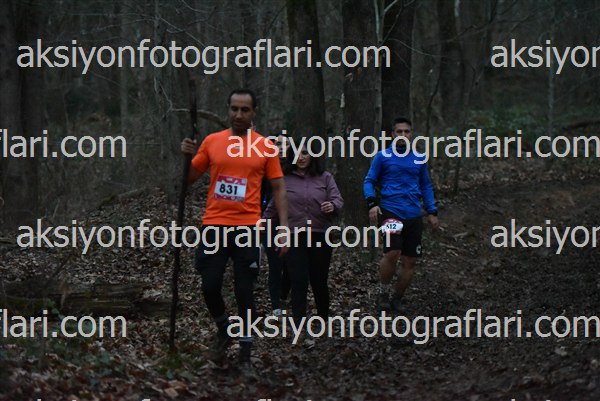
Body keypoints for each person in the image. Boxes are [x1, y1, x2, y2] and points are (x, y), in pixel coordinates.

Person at [180, 89, 288, 367]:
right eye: (234, 109)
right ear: (228, 110)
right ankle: (224, 328)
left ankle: (245, 352)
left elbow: (278, 188)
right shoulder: (212, 141)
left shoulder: (265, 146)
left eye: (245, 110)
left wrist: (284, 228)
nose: (239, 115)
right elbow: (188, 179)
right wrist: (186, 157)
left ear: (254, 113)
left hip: (247, 227)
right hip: (214, 224)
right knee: (209, 284)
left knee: (244, 289)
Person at [363, 117, 439, 311]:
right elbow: (369, 181)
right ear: (392, 134)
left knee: (410, 260)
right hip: (391, 210)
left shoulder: (419, 157)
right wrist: (372, 203)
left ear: (411, 134)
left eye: (406, 131)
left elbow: (426, 185)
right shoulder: (383, 156)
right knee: (392, 252)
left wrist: (432, 211)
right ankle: (383, 293)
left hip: (413, 213)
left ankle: (397, 297)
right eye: (399, 131)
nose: (403, 135)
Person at [265, 146, 343, 321]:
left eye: (305, 153)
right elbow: (274, 205)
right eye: (297, 154)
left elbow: (338, 199)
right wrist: (261, 224)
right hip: (294, 235)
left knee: (319, 280)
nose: (301, 158)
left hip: (320, 235)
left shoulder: (325, 177)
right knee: (298, 279)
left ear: (312, 155)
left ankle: (323, 318)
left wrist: (332, 205)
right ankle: (298, 321)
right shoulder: (284, 179)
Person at [261, 134, 291, 315]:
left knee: (290, 262)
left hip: (292, 221)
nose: (281, 148)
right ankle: (275, 304)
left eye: (285, 144)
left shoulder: (295, 169)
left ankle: (283, 293)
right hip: (269, 221)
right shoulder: (265, 167)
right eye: (278, 144)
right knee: (275, 262)